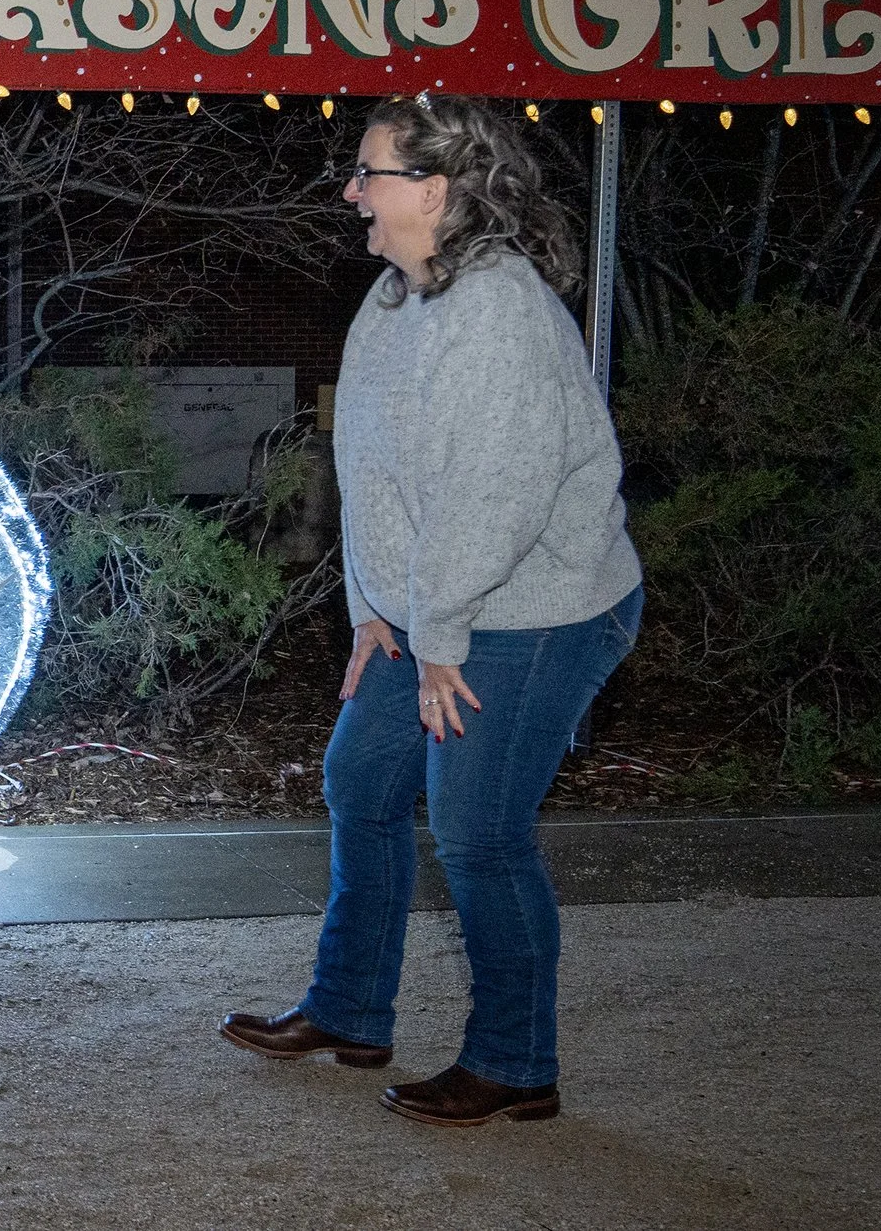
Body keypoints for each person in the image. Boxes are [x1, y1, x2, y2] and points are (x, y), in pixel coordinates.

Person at [221, 95, 643, 1127]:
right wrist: (375, 608)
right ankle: (350, 1007)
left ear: (438, 190)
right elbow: (366, 470)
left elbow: (492, 500)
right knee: (359, 779)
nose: (352, 191)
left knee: (476, 828)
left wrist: (437, 633)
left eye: (370, 172)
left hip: (542, 608)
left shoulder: (498, 312)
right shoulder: (394, 300)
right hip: (438, 604)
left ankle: (514, 1061)